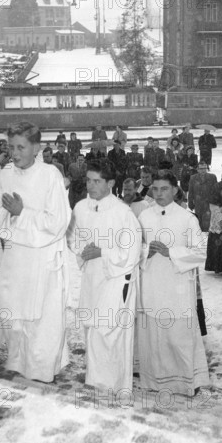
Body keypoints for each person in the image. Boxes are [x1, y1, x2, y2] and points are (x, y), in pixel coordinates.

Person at [0, 121, 70, 382]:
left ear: (36, 148)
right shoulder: (6, 173)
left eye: (21, 147)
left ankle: (41, 369)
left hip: (41, 259)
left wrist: (22, 215)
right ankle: (18, 362)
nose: (15, 153)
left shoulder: (50, 175)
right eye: (11, 147)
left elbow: (57, 222)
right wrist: (10, 220)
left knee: (41, 318)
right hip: (15, 257)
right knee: (15, 312)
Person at [67, 160, 141, 392]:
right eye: (88, 180)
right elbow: (73, 237)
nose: (91, 185)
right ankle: (95, 381)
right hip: (92, 276)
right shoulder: (80, 208)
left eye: (97, 181)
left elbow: (132, 252)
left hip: (117, 279)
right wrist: (83, 250)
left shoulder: (123, 213)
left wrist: (102, 252)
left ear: (110, 183)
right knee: (92, 329)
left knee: (110, 331)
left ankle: (114, 385)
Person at [137, 170, 210, 395]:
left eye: (164, 189)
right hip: (152, 283)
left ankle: (185, 382)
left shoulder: (187, 218)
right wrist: (144, 253)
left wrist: (173, 253)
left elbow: (201, 252)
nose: (158, 194)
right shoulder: (144, 217)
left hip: (177, 287)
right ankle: (155, 380)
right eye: (155, 189)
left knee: (178, 338)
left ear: (175, 190)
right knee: (155, 337)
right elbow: (131, 250)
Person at [188, 161, 218, 232]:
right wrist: (190, 203)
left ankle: (207, 237)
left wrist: (216, 202)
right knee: (199, 223)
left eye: (204, 168)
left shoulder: (212, 177)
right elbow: (191, 192)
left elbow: (216, 191)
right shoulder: (193, 178)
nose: (203, 170)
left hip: (209, 204)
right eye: (201, 169)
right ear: (197, 169)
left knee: (207, 224)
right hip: (198, 204)